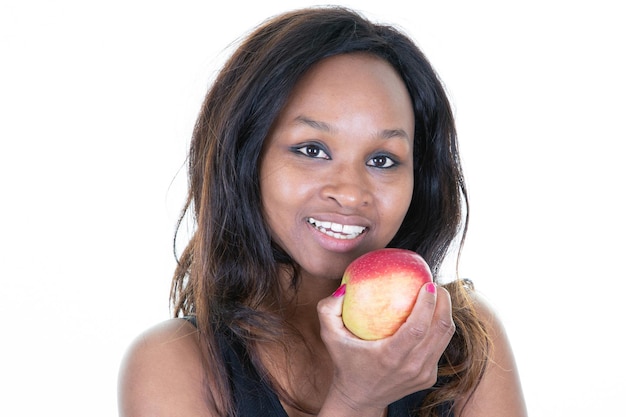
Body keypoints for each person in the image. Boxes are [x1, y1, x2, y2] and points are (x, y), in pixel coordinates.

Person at [118, 6, 527, 417]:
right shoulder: (172, 365)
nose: (350, 194)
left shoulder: (465, 344)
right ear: (247, 157)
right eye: (312, 150)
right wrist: (357, 401)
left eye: (383, 160)